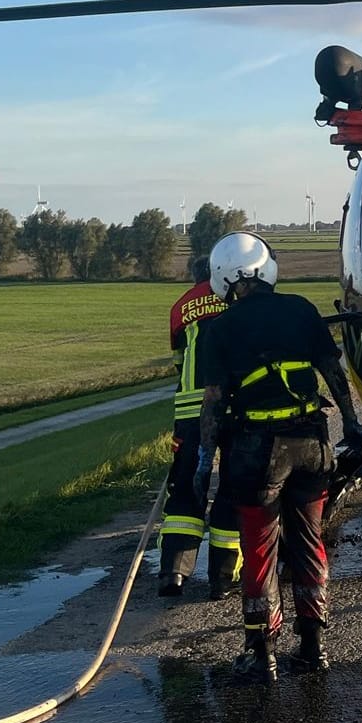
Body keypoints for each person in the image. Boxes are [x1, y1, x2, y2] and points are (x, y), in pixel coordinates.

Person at [195, 231, 362, 681]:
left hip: (258, 452)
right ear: (266, 268)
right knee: (309, 542)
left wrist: (203, 462)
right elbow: (333, 372)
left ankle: (262, 655)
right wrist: (351, 425)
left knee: (259, 549)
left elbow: (213, 401)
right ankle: (313, 649)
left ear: (224, 279)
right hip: (312, 445)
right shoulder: (300, 309)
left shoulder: (221, 328)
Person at [160, 255, 241, 598]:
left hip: (190, 411)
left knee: (185, 488)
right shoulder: (237, 299)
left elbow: (179, 363)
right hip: (233, 406)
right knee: (233, 487)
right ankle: (223, 575)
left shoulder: (181, 307)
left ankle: (173, 572)